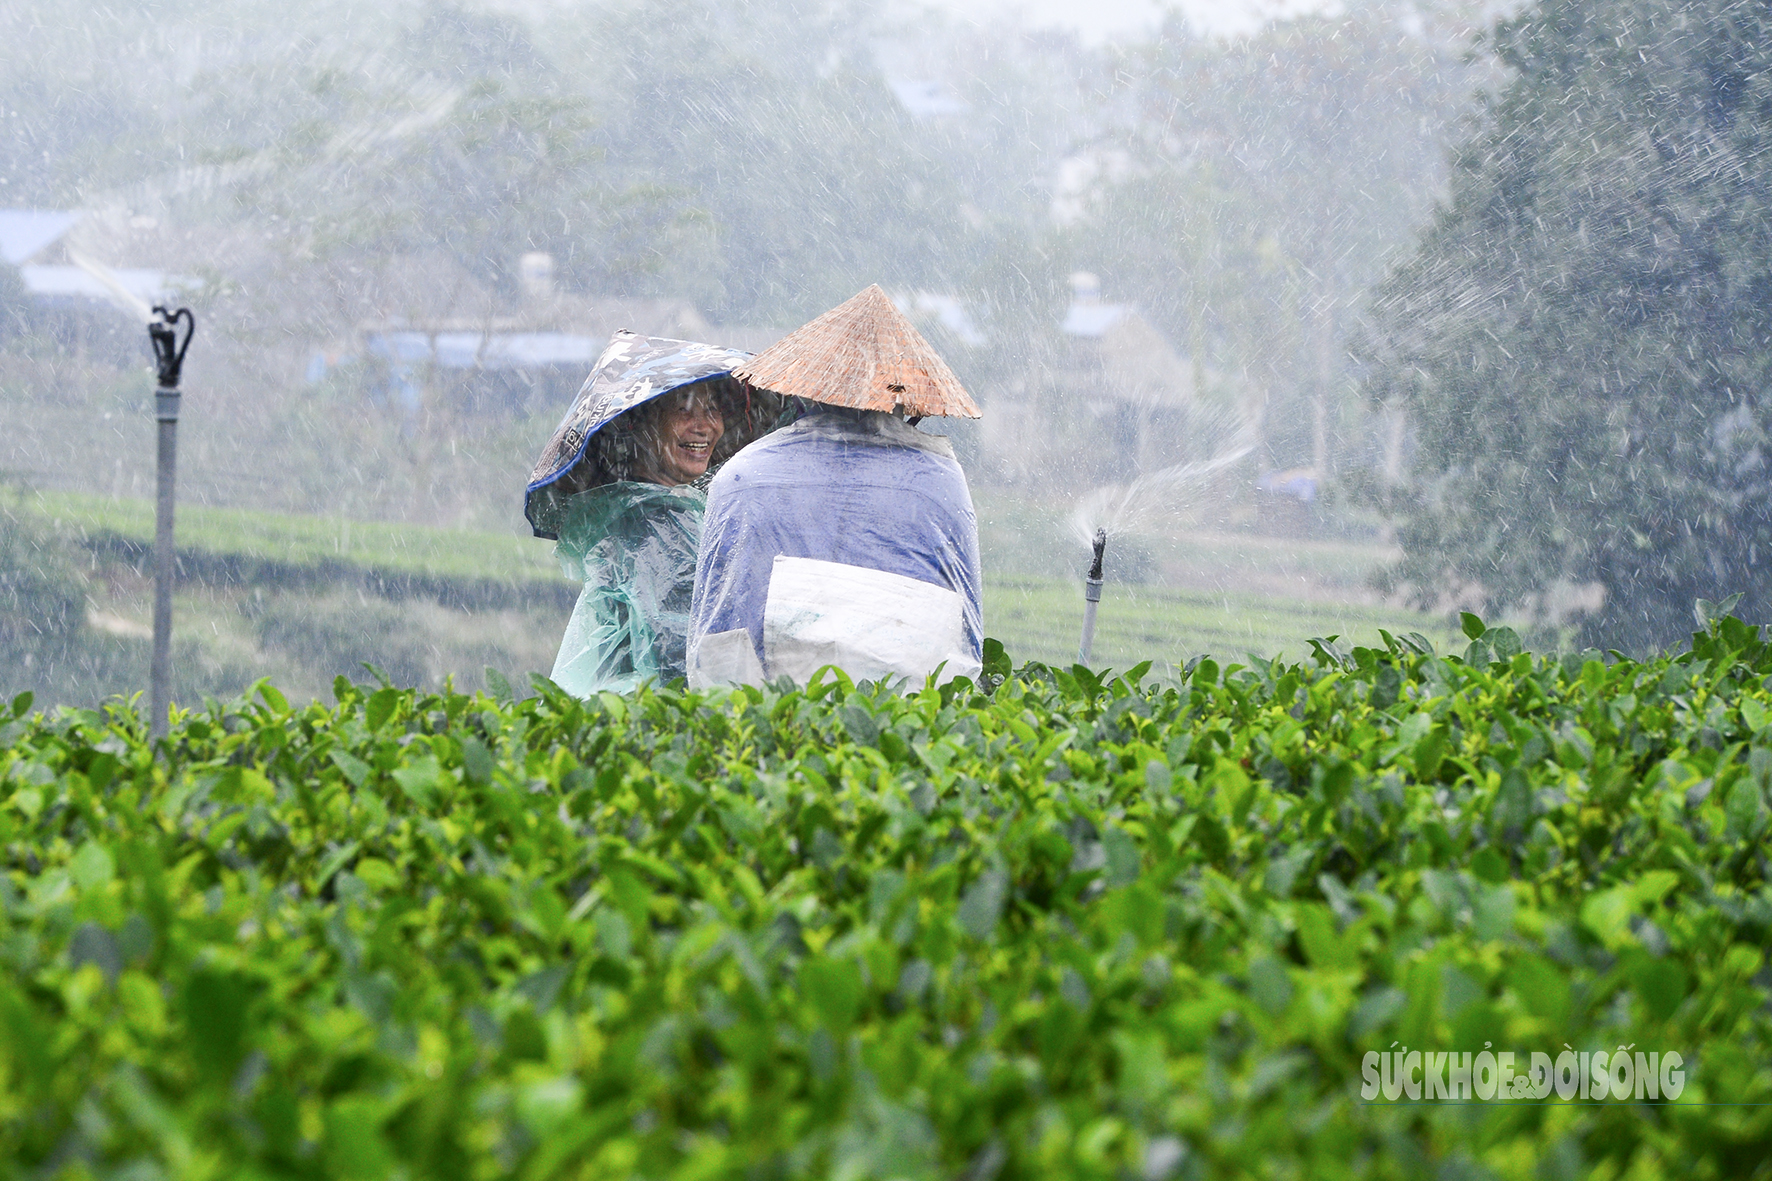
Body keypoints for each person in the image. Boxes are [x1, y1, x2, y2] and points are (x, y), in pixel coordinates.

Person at [687, 285, 984, 688]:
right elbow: (964, 634)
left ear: (803, 390)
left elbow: (718, 631)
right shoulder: (940, 481)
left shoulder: (744, 476)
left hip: (771, 713)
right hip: (904, 718)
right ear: (902, 399)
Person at [524, 332, 775, 696]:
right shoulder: (656, 525)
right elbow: (677, 657)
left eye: (712, 409)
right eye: (683, 410)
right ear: (641, 423)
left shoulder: (648, 509)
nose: (705, 426)